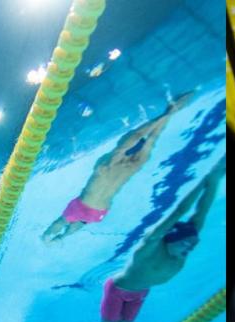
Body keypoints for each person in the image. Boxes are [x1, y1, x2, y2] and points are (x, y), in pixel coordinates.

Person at [83, 156, 225, 322]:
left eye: (192, 244)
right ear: (171, 238)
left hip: (140, 294)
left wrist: (214, 179)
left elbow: (201, 213)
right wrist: (200, 183)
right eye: (186, 244)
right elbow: (178, 212)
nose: (190, 247)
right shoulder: (150, 247)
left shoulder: (180, 250)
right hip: (118, 290)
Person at [42, 92, 194, 243]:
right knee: (81, 222)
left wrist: (168, 112)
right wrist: (170, 112)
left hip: (87, 205)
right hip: (98, 213)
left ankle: (47, 238)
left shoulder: (111, 160)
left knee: (62, 221)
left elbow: (138, 134)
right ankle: (61, 237)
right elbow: (153, 136)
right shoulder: (137, 163)